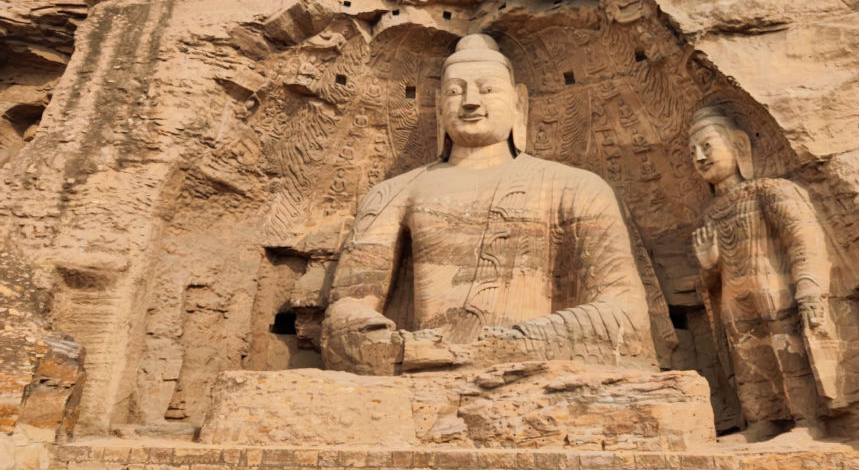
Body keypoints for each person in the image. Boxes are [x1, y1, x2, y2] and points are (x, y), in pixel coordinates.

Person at [321, 34, 660, 374]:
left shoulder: (576, 188)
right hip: (422, 371)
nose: (470, 102)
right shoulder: (395, 193)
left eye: (487, 89)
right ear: (438, 106)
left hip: (537, 376)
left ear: (518, 102)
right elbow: (346, 310)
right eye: (455, 91)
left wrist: (511, 345)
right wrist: (397, 347)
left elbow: (626, 316)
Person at [689, 105, 830, 442]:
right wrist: (709, 265)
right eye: (692, 152)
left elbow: (803, 241)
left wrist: (809, 288)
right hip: (735, 301)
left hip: (776, 291)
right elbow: (709, 283)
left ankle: (808, 422)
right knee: (748, 364)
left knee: (790, 357)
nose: (699, 157)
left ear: (738, 145)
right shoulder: (709, 215)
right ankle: (762, 422)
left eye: (706, 146)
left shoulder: (770, 191)